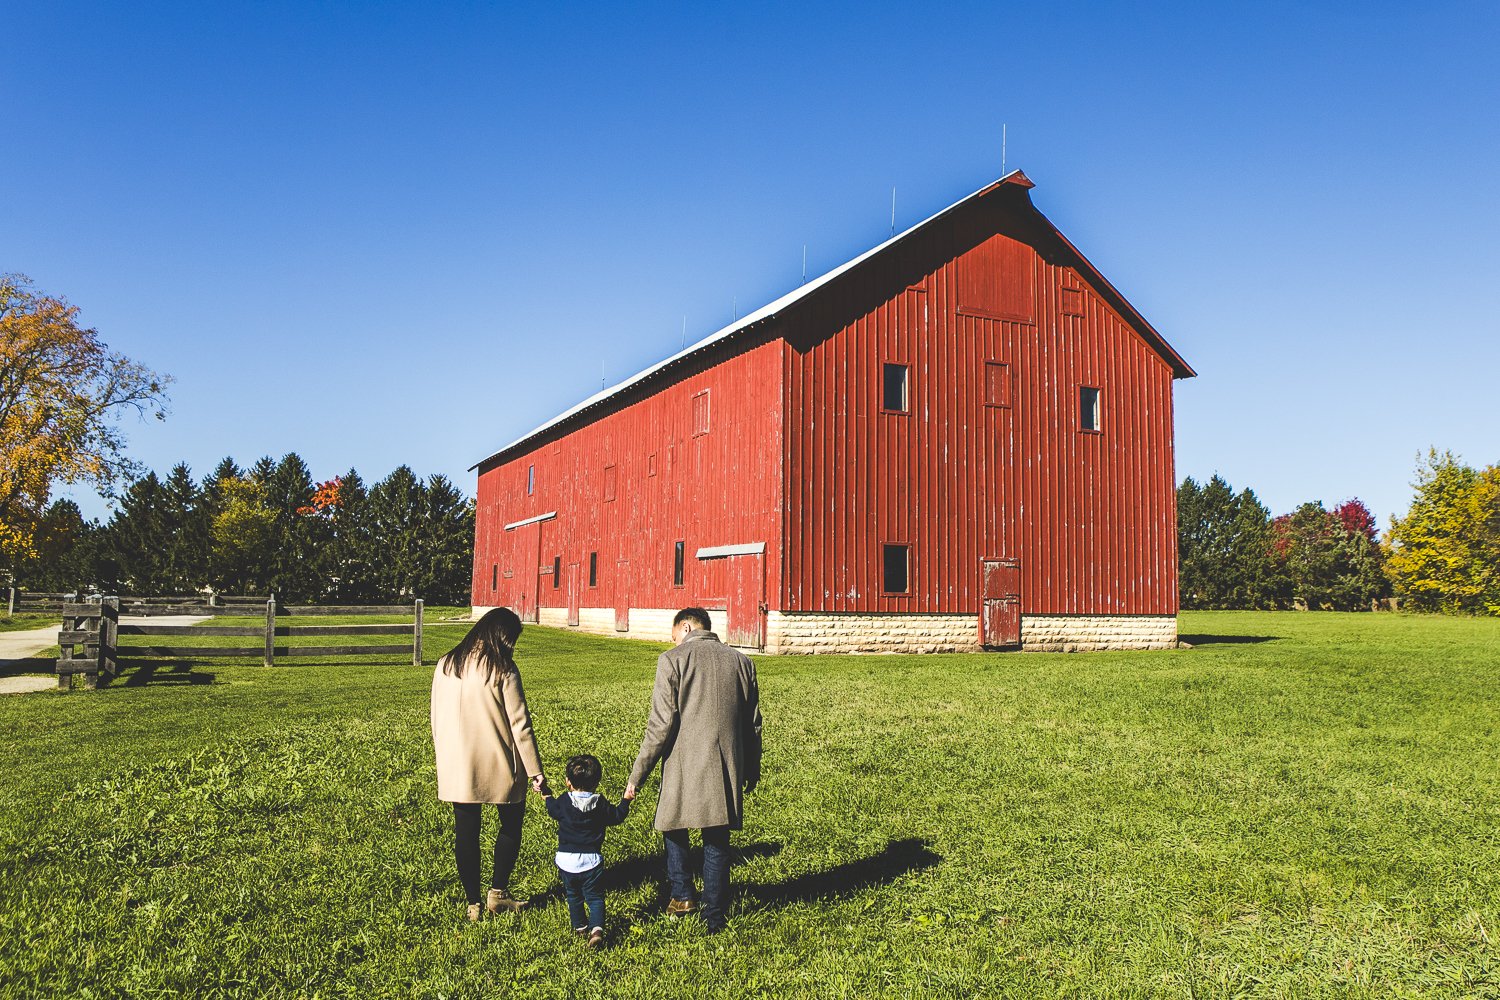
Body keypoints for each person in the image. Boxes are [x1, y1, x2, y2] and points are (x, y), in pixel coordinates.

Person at [626, 607, 762, 933]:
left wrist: (637, 776)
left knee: (673, 824)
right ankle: (714, 916)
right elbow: (752, 724)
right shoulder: (742, 662)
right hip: (727, 762)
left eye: (674, 637)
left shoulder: (672, 660)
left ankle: (682, 894)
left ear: (685, 627)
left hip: (683, 761)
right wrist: (752, 767)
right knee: (717, 838)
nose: (673, 643)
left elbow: (660, 726)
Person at [430, 607, 546, 921]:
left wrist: (444, 755)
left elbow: (436, 716)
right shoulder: (502, 668)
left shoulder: (446, 664)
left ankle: (473, 904)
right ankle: (498, 892)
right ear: (502, 636)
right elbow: (519, 724)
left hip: (458, 762)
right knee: (510, 824)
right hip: (500, 761)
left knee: (465, 833)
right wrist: (536, 772)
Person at [533, 754, 635, 949]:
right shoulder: (600, 804)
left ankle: (580, 927)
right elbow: (617, 816)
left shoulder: (564, 801)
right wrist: (626, 800)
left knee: (573, 896)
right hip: (591, 861)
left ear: (568, 782)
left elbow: (552, 809)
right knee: (595, 897)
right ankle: (596, 931)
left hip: (566, 860)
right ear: (597, 782)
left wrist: (545, 792)